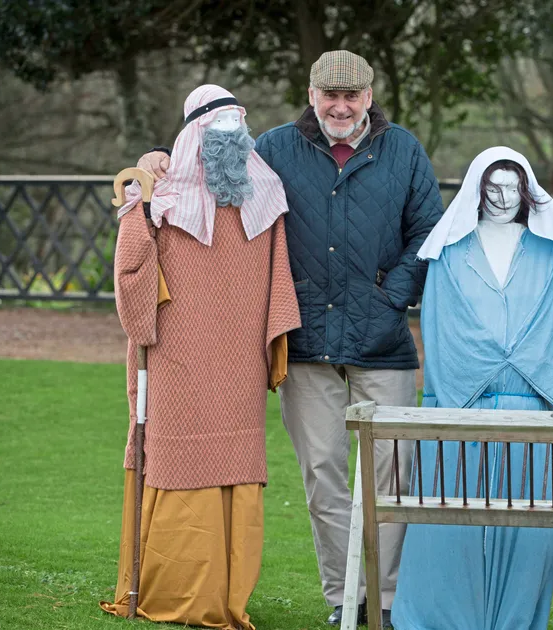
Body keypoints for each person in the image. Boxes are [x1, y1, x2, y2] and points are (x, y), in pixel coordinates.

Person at [136, 51, 444, 628]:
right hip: (303, 341)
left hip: (384, 341)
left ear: (369, 98)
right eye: (330, 95)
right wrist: (155, 161)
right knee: (323, 475)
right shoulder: (273, 148)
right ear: (312, 94)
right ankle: (343, 598)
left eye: (352, 96)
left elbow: (428, 229)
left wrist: (390, 297)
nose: (341, 106)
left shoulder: (402, 149)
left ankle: (385, 600)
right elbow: (210, 171)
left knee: (394, 476)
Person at [100, 84, 301, 629]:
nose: (226, 138)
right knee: (175, 455)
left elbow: (279, 284)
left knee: (235, 464)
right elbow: (133, 281)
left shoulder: (268, 196)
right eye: (215, 127)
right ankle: (174, 589)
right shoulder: (160, 198)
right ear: (192, 134)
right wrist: (136, 206)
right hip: (176, 358)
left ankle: (227, 594)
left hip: (238, 365)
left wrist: (271, 343)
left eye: (235, 125)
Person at [389, 146, 553, 630]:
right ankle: (439, 619)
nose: (501, 197)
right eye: (491, 187)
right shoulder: (450, 252)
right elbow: (442, 328)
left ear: (527, 192)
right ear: (477, 192)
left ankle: (515, 619)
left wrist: (531, 381)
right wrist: (485, 372)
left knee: (527, 526)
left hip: (532, 405)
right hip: (460, 402)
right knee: (449, 524)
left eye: (512, 187)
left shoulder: (549, 251)